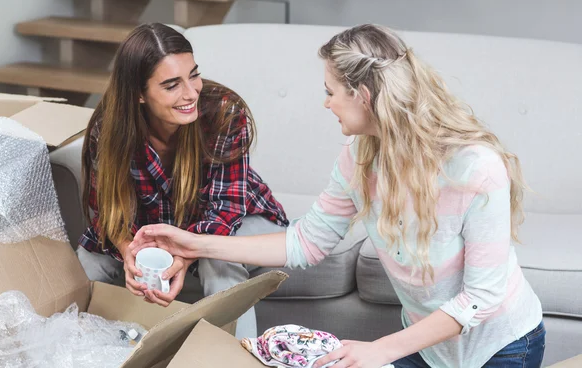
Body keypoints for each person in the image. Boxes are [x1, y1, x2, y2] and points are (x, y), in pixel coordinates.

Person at [128, 24, 545, 368]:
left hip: (503, 348)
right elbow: (306, 242)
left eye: (330, 91)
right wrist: (195, 243)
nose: (326, 103)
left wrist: (383, 349)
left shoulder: (475, 166)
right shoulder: (359, 157)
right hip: (431, 352)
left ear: (362, 96)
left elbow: (482, 299)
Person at [76, 23, 288, 339]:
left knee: (220, 264)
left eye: (193, 75)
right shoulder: (108, 129)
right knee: (87, 262)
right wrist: (128, 251)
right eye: (172, 85)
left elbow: (225, 212)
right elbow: (106, 213)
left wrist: (182, 256)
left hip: (236, 221)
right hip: (154, 229)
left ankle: (235, 360)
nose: (191, 93)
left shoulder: (224, 113)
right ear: (139, 94)